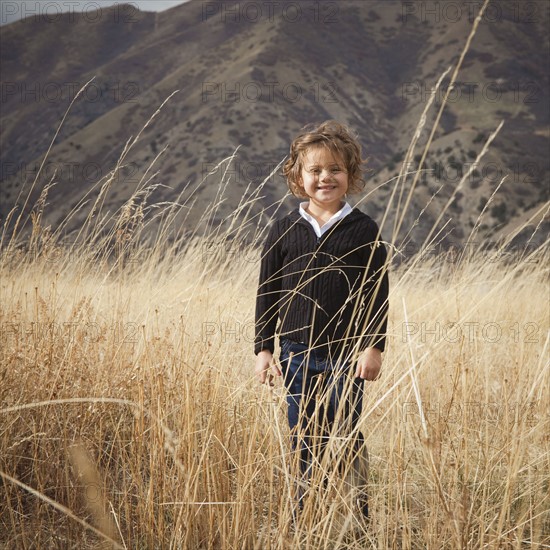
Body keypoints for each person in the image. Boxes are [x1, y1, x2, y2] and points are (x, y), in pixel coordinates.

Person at [254, 120, 389, 518]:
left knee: (347, 433)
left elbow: (376, 293)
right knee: (303, 437)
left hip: (345, 356)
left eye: (335, 169)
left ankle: (359, 515)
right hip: (295, 353)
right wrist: (263, 349)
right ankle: (304, 513)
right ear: (298, 177)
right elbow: (267, 293)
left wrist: (373, 347)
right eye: (315, 170)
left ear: (350, 175)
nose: (325, 177)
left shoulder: (363, 229)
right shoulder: (283, 229)